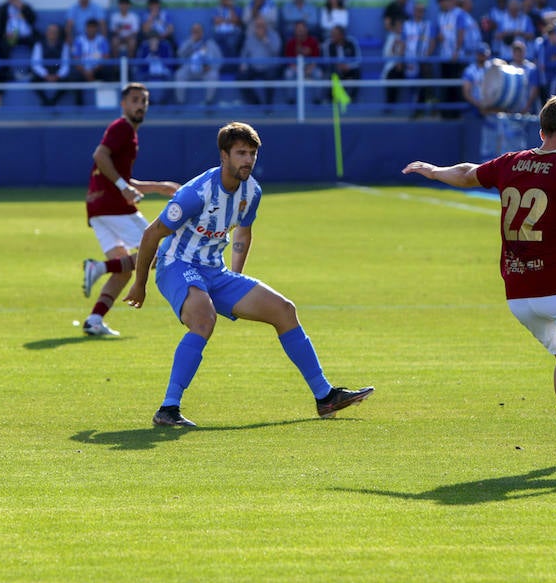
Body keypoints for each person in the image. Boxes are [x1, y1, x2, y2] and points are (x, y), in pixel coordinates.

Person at [402, 92, 556, 466]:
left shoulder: (511, 163)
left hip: (519, 295)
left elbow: (467, 173)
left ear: (542, 130)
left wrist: (433, 170)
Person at [123, 121, 374, 427]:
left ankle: (325, 396)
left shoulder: (251, 191)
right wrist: (139, 284)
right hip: (178, 264)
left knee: (284, 310)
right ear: (224, 156)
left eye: (252, 153)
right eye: (241, 153)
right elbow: (152, 234)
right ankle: (168, 408)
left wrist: (237, 281)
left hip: (215, 271)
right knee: (204, 319)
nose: (248, 160)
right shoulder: (196, 193)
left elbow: (243, 232)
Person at [79, 83, 180, 336]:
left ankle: (94, 320)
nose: (140, 105)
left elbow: (120, 177)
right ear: (123, 104)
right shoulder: (122, 127)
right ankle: (99, 268)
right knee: (157, 253)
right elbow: (100, 156)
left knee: (124, 268)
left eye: (144, 101)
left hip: (98, 207)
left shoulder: (127, 132)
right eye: (135, 100)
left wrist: (158, 187)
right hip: (114, 206)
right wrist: (124, 188)